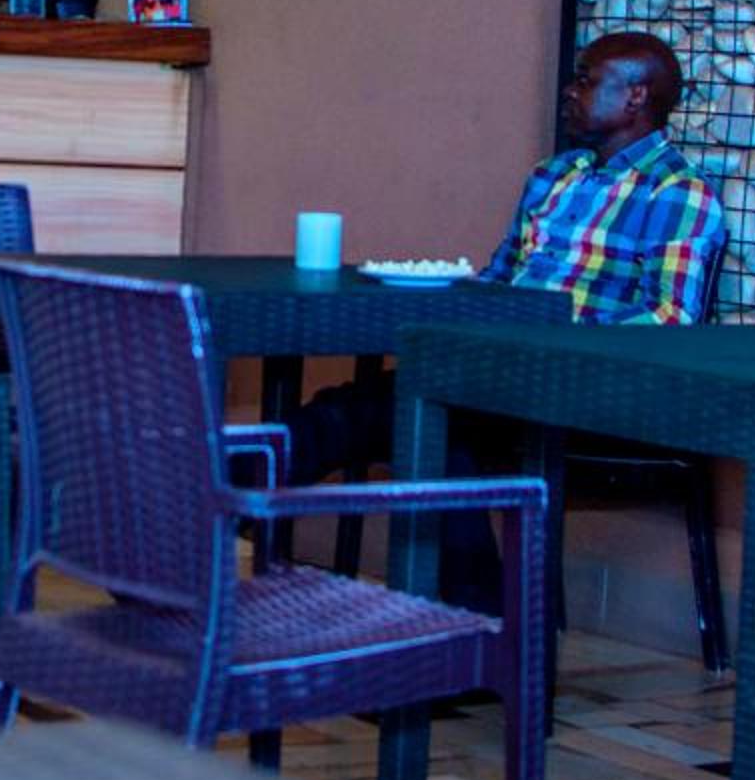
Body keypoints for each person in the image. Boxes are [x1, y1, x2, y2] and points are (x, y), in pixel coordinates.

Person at [287, 30, 728, 607]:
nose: (570, 91)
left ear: (635, 97)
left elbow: (671, 322)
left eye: (586, 80)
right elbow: (497, 281)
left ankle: (475, 626)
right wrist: (452, 304)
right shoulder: (553, 176)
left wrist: (549, 334)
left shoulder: (677, 193)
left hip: (589, 393)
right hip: (501, 376)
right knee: (364, 406)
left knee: (428, 420)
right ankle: (200, 501)